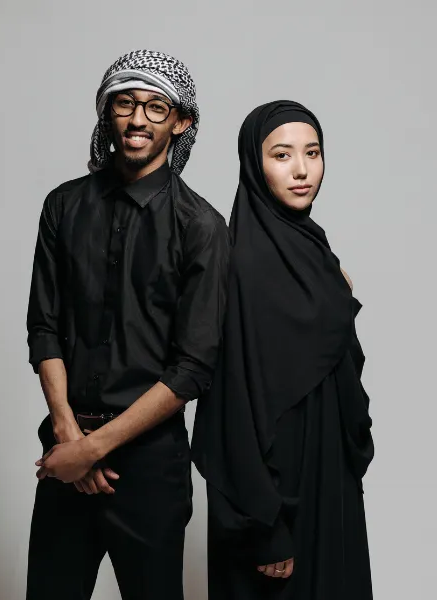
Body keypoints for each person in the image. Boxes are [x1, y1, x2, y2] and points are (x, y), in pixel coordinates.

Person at [25, 49, 230, 600]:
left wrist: (92, 450)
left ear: (180, 122)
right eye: (125, 103)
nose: (138, 119)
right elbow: (44, 327)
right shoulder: (63, 206)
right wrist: (69, 435)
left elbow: (192, 368)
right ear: (107, 112)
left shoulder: (202, 226)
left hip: (149, 468)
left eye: (156, 107)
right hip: (65, 446)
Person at [192, 100, 375, 600]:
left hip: (328, 479)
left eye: (312, 153)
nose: (301, 170)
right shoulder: (238, 266)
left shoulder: (315, 252)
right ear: (254, 164)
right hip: (273, 500)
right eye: (281, 155)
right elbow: (231, 406)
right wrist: (265, 526)